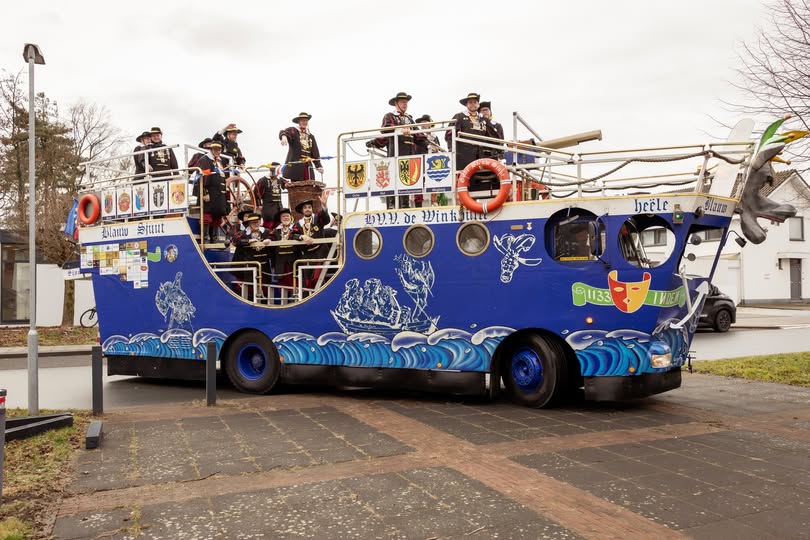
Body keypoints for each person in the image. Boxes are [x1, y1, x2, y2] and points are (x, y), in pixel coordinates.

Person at [368, 92, 426, 209]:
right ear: (396, 103)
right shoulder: (389, 116)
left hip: (410, 153)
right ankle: (391, 206)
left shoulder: (409, 118)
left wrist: (425, 138)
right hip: (396, 152)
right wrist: (400, 129)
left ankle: (405, 205)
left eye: (406, 102)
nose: (405, 104)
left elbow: (418, 135)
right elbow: (385, 129)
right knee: (394, 180)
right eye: (402, 102)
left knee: (406, 179)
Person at [446, 93, 498, 170]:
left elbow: (492, 136)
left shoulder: (484, 119)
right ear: (466, 105)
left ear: (478, 105)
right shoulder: (459, 116)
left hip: (480, 154)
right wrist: (452, 150)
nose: (473, 104)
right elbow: (449, 135)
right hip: (463, 155)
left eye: (475, 102)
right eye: (470, 102)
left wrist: (496, 150)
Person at [231, 212, 272, 297]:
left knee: (266, 290)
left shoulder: (266, 231)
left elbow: (274, 236)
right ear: (249, 224)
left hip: (264, 267)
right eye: (253, 222)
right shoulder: (243, 233)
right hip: (249, 267)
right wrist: (248, 241)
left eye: (257, 221)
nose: (256, 224)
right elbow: (234, 241)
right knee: (250, 290)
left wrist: (269, 240)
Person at [296, 190, 332, 290]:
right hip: (307, 255)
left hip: (320, 253)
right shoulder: (298, 223)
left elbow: (326, 219)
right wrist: (302, 237)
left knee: (318, 279)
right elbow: (292, 235)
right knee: (307, 281)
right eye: (305, 208)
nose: (307, 209)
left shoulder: (317, 218)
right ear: (302, 211)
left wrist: (324, 205)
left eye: (309, 207)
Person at [197, 141, 229, 242]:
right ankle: (205, 238)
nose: (217, 151)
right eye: (215, 149)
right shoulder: (205, 160)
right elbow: (202, 177)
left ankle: (214, 238)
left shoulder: (219, 162)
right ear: (211, 150)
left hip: (219, 193)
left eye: (219, 150)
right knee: (207, 215)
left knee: (217, 215)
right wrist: (205, 192)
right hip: (209, 192)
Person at [279, 112, 323, 181]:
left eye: (306, 120)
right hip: (295, 167)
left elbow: (315, 154)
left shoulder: (311, 136)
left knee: (309, 186)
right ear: (298, 122)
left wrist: (319, 166)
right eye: (302, 120)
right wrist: (284, 137)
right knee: (296, 187)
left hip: (308, 167)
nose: (304, 122)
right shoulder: (294, 131)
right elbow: (284, 132)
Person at [270, 207, 304, 291]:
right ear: (280, 219)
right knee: (283, 287)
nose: (286, 218)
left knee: (296, 286)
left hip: (294, 262)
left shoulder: (296, 228)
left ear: (291, 217)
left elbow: (299, 235)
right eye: (283, 216)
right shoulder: (275, 231)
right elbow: (270, 238)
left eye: (287, 216)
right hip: (280, 264)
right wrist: (268, 239)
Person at [253, 162, 287, 230]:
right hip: (268, 210)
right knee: (268, 230)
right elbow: (256, 193)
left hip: (279, 209)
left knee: (279, 230)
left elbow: (288, 185)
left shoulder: (280, 179)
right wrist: (259, 204)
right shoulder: (263, 180)